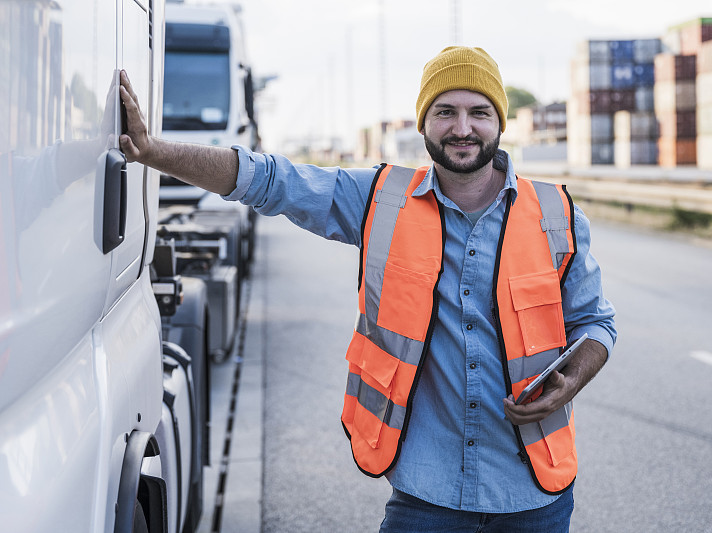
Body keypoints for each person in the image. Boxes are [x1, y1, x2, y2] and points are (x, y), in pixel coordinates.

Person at [120, 46, 616, 532]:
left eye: (478, 112)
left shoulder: (557, 216)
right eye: (445, 111)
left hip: (532, 495)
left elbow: (596, 324)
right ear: (423, 123)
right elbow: (268, 179)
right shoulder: (380, 199)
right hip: (427, 495)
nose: (462, 128)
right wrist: (153, 152)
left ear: (500, 123)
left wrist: (571, 379)